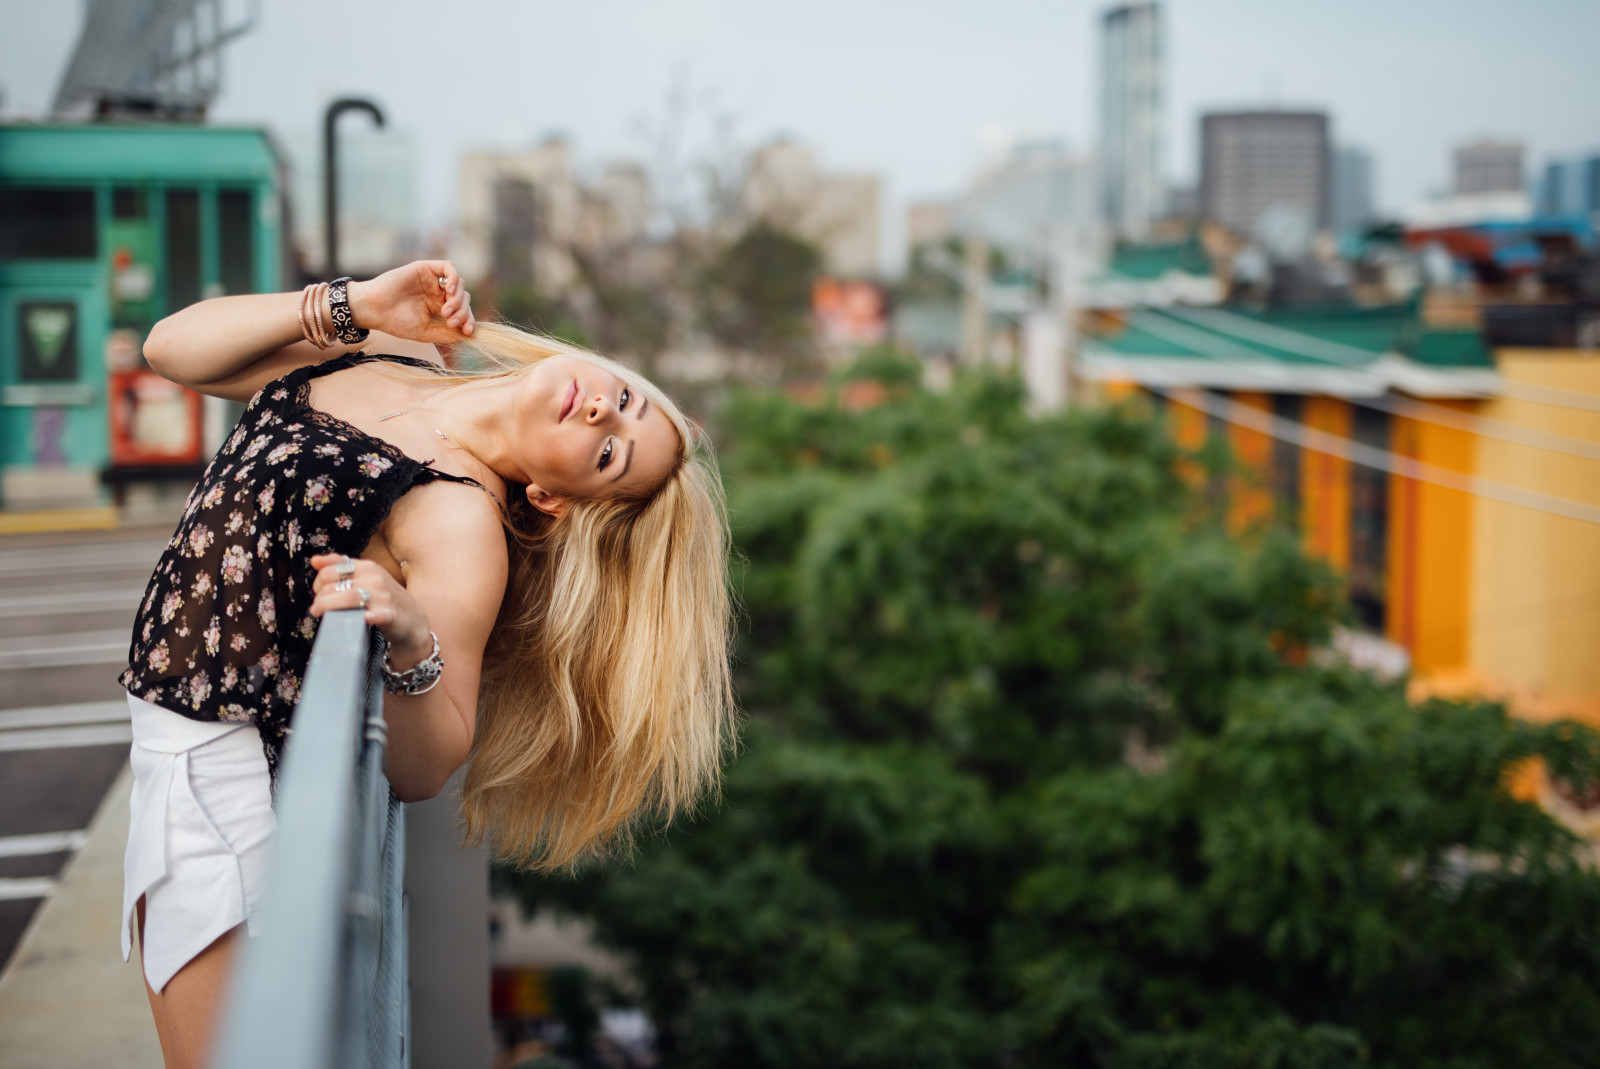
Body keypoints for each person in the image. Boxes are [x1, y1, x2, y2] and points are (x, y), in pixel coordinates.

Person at [117, 260, 735, 1069]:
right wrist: (355, 302)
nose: (599, 413)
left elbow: (430, 757)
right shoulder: (390, 349)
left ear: (554, 497)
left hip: (229, 778)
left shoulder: (461, 518)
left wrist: (410, 638)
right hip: (175, 748)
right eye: (623, 399)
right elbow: (172, 349)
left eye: (609, 454)